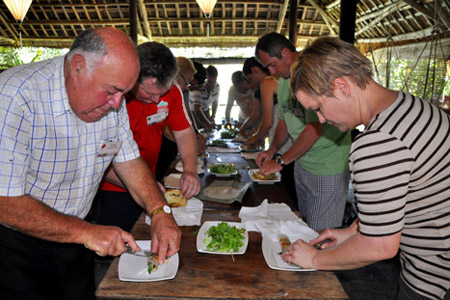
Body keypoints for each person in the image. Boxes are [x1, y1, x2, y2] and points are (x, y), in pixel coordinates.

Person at [0, 28, 180, 300]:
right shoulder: (14, 96)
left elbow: (129, 161)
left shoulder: (111, 103)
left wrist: (160, 212)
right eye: (111, 91)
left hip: (77, 241)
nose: (117, 104)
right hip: (18, 248)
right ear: (78, 67)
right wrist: (86, 232)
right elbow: (5, 201)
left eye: (125, 93)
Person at [285, 36, 450, 300]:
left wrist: (314, 258)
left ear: (342, 87)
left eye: (318, 108)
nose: (322, 120)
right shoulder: (413, 106)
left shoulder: (377, 143)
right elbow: (405, 195)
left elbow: (379, 247)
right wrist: (352, 231)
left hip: (434, 276)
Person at [93, 42, 201, 232]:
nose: (157, 100)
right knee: (119, 247)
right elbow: (100, 157)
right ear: (133, 78)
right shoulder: (113, 98)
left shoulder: (171, 91)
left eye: (162, 93)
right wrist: (145, 186)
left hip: (151, 178)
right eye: (151, 93)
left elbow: (184, 132)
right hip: (115, 187)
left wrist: (190, 169)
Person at [255, 32, 351, 230]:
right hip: (303, 163)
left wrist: (282, 161)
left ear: (285, 52)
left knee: (321, 235)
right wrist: (272, 150)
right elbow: (285, 120)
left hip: (327, 166)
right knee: (305, 225)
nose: (271, 71)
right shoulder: (284, 80)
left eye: (272, 64)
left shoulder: (315, 74)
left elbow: (315, 128)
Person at [155, 56, 207, 180]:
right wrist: (193, 144)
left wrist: (195, 134)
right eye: (187, 82)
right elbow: (167, 129)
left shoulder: (176, 92)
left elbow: (185, 118)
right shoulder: (159, 92)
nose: (188, 87)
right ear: (177, 75)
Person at [190, 63, 220, 129]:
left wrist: (212, 116)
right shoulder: (197, 88)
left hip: (206, 111)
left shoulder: (217, 86)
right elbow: (197, 110)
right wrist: (208, 124)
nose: (211, 85)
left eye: (213, 82)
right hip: (193, 113)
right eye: (209, 81)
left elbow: (215, 102)